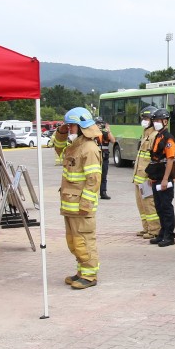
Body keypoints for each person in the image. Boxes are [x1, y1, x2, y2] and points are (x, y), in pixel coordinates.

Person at [52, 107, 103, 288]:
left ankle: (89, 276)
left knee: (84, 241)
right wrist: (61, 131)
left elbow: (93, 179)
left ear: (80, 127)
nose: (70, 130)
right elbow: (58, 149)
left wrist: (86, 203)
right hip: (70, 205)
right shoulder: (75, 146)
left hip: (81, 206)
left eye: (71, 126)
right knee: (74, 242)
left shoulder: (89, 149)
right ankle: (81, 271)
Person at [145, 108, 175, 247]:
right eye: (154, 121)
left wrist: (165, 179)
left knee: (166, 207)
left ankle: (169, 235)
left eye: (158, 120)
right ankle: (162, 232)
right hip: (157, 177)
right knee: (159, 207)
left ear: (165, 121)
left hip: (165, 179)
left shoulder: (168, 138)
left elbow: (170, 160)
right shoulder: (158, 136)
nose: (155, 123)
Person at [132, 106, 160, 239]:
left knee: (149, 204)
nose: (144, 120)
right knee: (141, 205)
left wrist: (151, 176)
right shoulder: (145, 134)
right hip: (138, 177)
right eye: (143, 118)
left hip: (147, 178)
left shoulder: (154, 135)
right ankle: (146, 228)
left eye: (146, 118)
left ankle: (154, 230)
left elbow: (155, 159)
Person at [94, 117, 115, 199]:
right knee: (94, 176)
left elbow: (113, 141)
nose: (99, 125)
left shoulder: (105, 133)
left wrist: (108, 130)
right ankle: (93, 192)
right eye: (97, 124)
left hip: (104, 157)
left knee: (103, 176)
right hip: (95, 157)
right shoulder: (91, 133)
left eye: (100, 124)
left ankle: (103, 192)